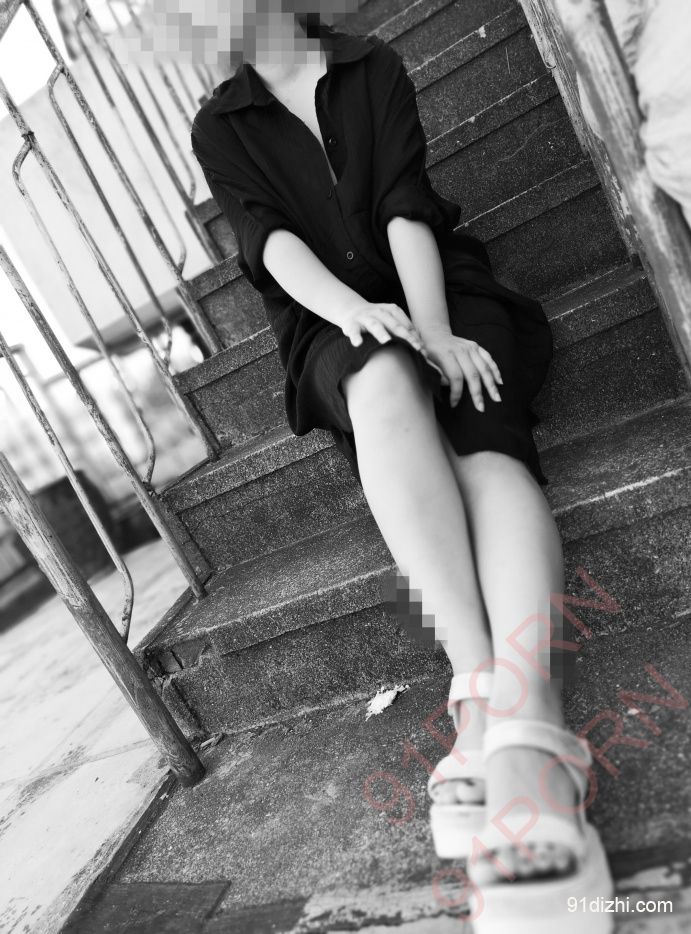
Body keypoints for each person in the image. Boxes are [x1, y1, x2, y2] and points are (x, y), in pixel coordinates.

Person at [188, 1, 613, 928]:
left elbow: (403, 206)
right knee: (379, 382)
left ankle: (530, 734)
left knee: (479, 433)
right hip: (327, 320)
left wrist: (435, 331)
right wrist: (356, 316)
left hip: (437, 290)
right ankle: (479, 693)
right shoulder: (218, 124)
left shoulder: (369, 64)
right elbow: (270, 243)